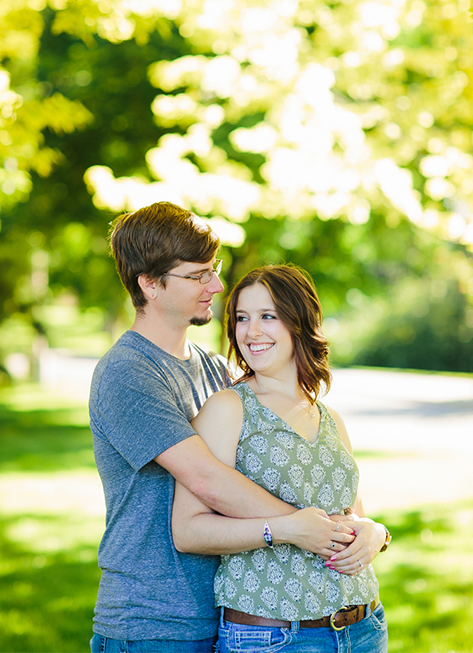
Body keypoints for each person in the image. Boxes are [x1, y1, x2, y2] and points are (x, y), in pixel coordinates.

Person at [89, 203, 353, 652]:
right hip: (154, 622)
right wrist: (311, 531)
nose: (216, 285)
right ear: (149, 284)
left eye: (216, 269)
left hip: (226, 612)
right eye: (198, 275)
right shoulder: (128, 372)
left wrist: (359, 527)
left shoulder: (213, 370)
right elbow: (206, 478)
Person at [171, 264, 390, 653]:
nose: (251, 332)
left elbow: (350, 517)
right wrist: (283, 529)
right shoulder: (228, 409)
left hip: (364, 629)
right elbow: (188, 531)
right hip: (273, 637)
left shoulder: (329, 417)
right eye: (242, 318)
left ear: (299, 322)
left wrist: (375, 533)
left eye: (267, 316)